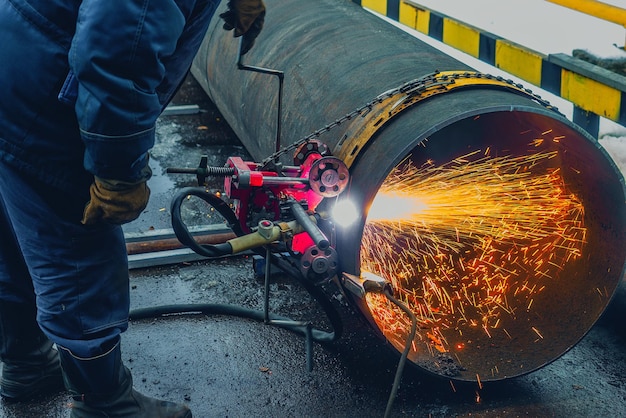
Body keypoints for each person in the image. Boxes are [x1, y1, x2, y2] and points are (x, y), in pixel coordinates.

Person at [0, 0, 265, 416]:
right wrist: (118, 171)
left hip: (15, 61)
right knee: (76, 258)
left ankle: (26, 364)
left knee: (16, 238)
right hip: (43, 95)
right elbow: (120, 52)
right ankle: (104, 403)